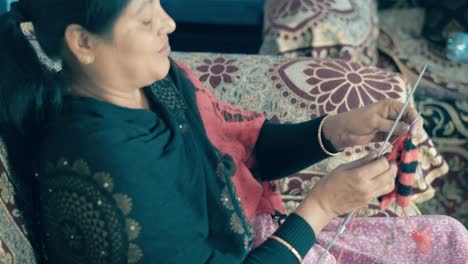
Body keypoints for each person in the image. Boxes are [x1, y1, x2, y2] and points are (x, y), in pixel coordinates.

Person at [0, 0, 466, 263]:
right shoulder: (112, 167)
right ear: (82, 42)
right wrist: (323, 206)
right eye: (145, 17)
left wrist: (333, 131)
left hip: (256, 238)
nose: (169, 22)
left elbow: (240, 148)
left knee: (450, 238)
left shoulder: (155, 80)